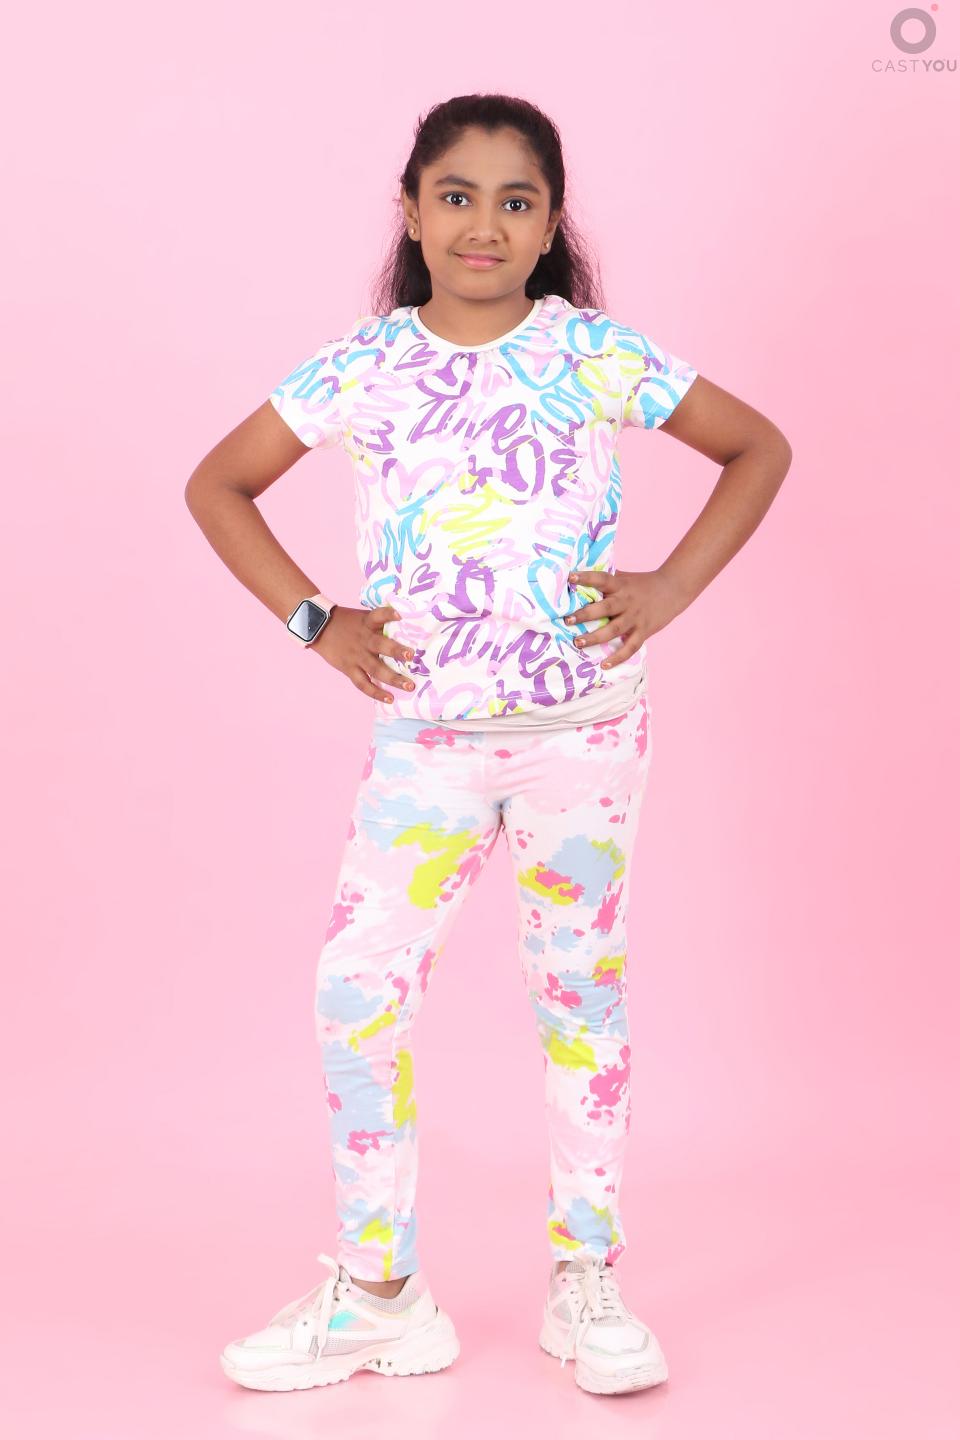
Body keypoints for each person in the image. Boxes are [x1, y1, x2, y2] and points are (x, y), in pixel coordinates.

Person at [185, 92, 791, 1397]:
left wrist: (669, 589)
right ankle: (379, 1292)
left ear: (551, 222)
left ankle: (588, 1279)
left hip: (583, 737)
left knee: (581, 997)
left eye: (517, 201)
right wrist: (316, 622)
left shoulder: (594, 353)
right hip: (429, 746)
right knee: (359, 991)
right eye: (456, 196)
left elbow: (757, 447)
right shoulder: (365, 365)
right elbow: (216, 483)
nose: (484, 224)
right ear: (410, 211)